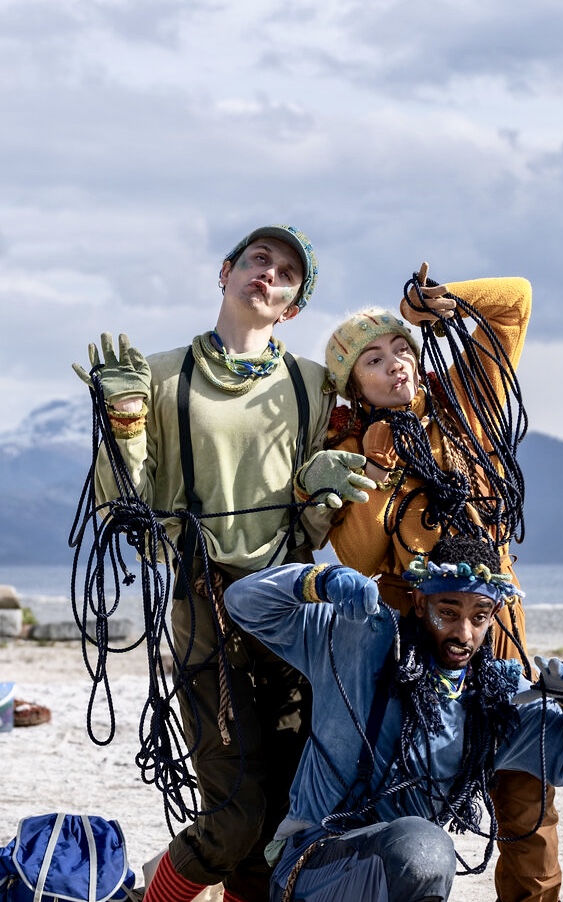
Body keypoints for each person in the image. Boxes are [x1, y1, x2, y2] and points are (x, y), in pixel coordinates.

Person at [73, 224, 374, 902]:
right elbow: (125, 505)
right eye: (258, 259)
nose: (268, 274)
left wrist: (314, 488)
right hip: (201, 599)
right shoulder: (154, 374)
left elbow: (320, 517)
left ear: (292, 308)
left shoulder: (312, 384)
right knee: (235, 817)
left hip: (292, 601)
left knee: (284, 816)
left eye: (287, 274)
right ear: (225, 272)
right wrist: (123, 422)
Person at [320, 271, 563, 900]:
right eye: (373, 359)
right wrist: (377, 467)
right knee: (411, 792)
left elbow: (515, 302)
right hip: (421, 647)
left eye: (401, 347)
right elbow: (359, 558)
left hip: (497, 629)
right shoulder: (349, 451)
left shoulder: (463, 403)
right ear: (353, 386)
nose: (395, 363)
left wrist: (441, 301)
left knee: (526, 791)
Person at [225, 533, 563, 902]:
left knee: (424, 851)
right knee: (423, 849)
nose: (463, 633)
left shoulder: (496, 703)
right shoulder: (357, 638)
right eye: (448, 612)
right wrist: (318, 580)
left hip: (407, 870)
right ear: (419, 602)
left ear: (495, 614)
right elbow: (242, 601)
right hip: (314, 868)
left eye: (479, 617)